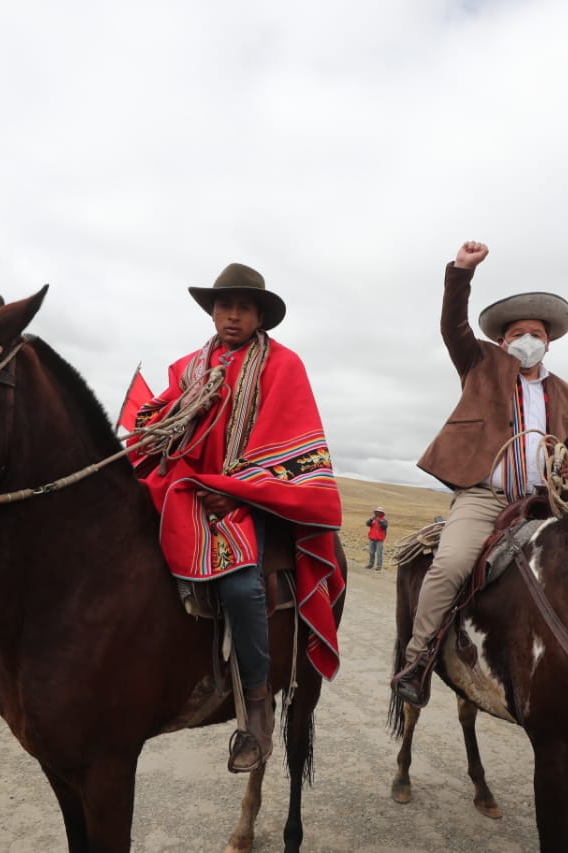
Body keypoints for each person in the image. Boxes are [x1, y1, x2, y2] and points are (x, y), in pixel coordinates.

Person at [130, 262, 343, 774]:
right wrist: (158, 427)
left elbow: (292, 438)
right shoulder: (186, 366)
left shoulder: (283, 365)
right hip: (185, 489)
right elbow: (152, 420)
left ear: (259, 316)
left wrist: (240, 493)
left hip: (251, 497)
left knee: (243, 585)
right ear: (213, 311)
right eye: (224, 306)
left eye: (243, 308)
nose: (232, 316)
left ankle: (257, 712)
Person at [392, 240, 568, 707]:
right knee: (450, 566)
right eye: (516, 332)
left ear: (549, 340)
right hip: (485, 498)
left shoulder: (565, 392)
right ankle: (417, 661)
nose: (526, 339)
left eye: (535, 333)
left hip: (544, 501)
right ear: (502, 340)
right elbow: (452, 325)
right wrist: (461, 272)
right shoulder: (479, 364)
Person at [365, 506, 389, 571]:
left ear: (382, 513)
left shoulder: (384, 520)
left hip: (379, 540)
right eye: (377, 512)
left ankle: (379, 566)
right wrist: (371, 519)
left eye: (379, 512)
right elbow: (367, 524)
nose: (378, 513)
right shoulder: (373, 520)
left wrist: (380, 521)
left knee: (379, 553)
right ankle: (370, 564)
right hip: (372, 539)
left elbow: (385, 526)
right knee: (371, 552)